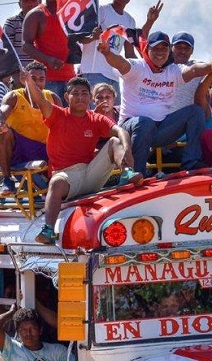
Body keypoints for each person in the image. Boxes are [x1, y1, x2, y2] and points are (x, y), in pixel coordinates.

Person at [25, 76, 138, 245]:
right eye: (75, 93)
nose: (80, 97)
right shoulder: (57, 114)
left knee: (115, 141)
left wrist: (128, 152)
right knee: (56, 183)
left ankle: (127, 173)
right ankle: (49, 229)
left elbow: (121, 132)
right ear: (66, 97)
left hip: (90, 173)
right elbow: (40, 100)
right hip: (67, 177)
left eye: (84, 93)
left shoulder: (95, 118)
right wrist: (28, 80)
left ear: (90, 98)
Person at [98, 31, 212, 174]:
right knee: (144, 122)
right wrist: (107, 53)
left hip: (160, 129)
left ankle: (191, 162)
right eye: (156, 48)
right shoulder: (138, 67)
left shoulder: (173, 71)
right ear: (147, 49)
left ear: (169, 51)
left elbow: (194, 70)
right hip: (132, 129)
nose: (160, 52)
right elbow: (121, 63)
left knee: (195, 111)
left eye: (164, 49)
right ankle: (134, 173)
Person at [0, 61, 62, 194]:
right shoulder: (13, 96)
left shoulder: (52, 97)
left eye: (41, 79)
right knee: (3, 133)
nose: (37, 83)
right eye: (33, 79)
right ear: (24, 80)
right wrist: (0, 121)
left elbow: (63, 124)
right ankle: (7, 180)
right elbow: (1, 112)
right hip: (15, 149)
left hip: (41, 149)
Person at [77, 0, 139, 102]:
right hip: (94, 72)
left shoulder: (130, 20)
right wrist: (92, 36)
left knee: (112, 118)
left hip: (114, 77)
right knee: (95, 117)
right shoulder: (101, 11)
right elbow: (81, 38)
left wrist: (144, 69)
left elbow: (129, 52)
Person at [22, 0, 75, 104]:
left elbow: (81, 38)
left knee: (70, 121)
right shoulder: (36, 15)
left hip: (70, 78)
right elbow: (25, 45)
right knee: (47, 120)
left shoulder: (72, 11)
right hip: (45, 80)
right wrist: (48, 60)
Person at [0, 306, 67, 361]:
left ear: (40, 330)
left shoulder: (58, 351)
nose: (28, 334)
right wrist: (12, 312)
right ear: (18, 332)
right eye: (23, 330)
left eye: (32, 329)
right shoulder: (12, 349)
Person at [5, 0, 42, 66]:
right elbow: (6, 50)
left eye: (33, 0)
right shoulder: (12, 23)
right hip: (20, 73)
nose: (30, 4)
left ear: (40, 2)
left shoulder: (47, 21)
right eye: (25, 1)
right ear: (19, 4)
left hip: (43, 73)